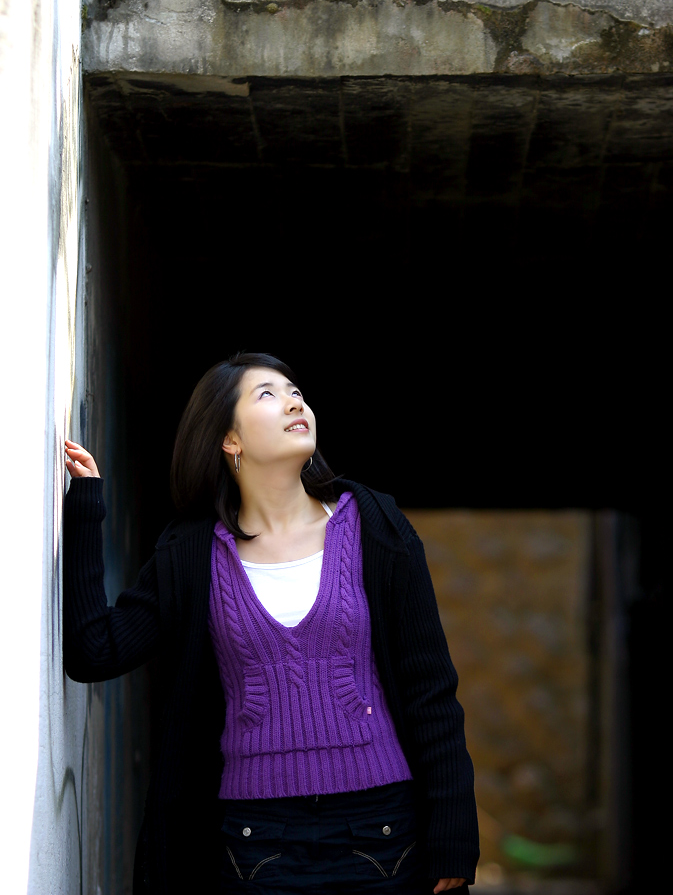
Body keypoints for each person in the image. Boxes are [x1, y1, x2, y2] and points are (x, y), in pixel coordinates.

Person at [63, 352, 479, 895]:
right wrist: (86, 505)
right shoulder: (192, 553)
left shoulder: (376, 526)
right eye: (268, 394)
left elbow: (431, 689)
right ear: (228, 439)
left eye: (296, 392)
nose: (293, 403)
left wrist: (452, 832)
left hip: (382, 831)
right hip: (256, 843)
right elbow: (95, 650)